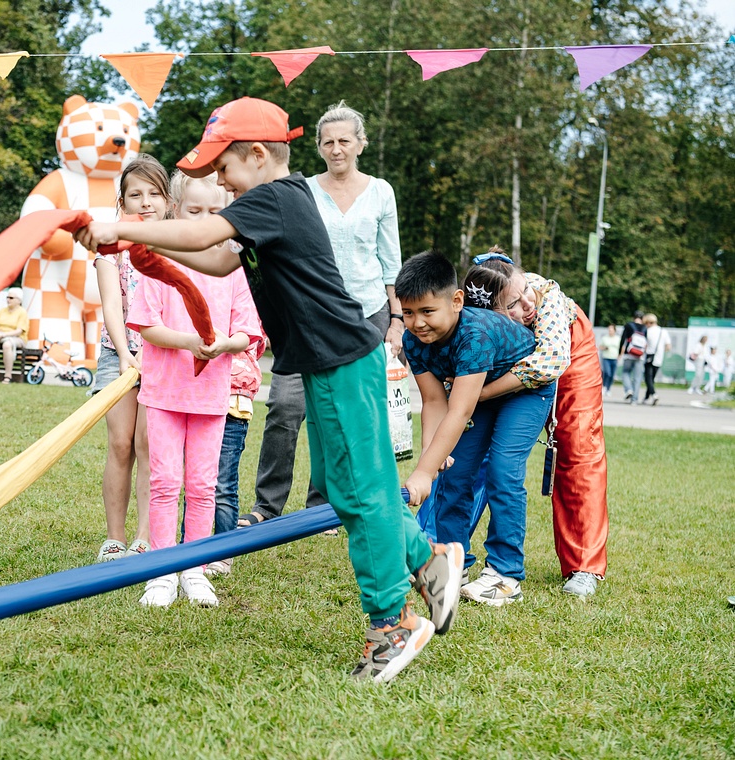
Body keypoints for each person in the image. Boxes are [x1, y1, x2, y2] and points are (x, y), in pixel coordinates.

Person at [76, 97, 464, 683]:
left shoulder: (277, 197)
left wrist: (119, 225)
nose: (221, 184)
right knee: (350, 487)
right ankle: (427, 561)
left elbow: (208, 231)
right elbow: (213, 257)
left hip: (340, 362)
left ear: (257, 155)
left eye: (222, 170)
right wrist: (141, 246)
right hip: (328, 363)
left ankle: (392, 623)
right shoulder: (275, 203)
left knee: (362, 494)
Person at [239, 101, 403, 531]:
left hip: (367, 314)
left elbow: (391, 261)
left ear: (361, 144)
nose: (336, 149)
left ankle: (322, 507)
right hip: (305, 316)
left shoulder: (381, 191)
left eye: (344, 140)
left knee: (348, 418)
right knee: (285, 408)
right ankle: (267, 505)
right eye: (327, 142)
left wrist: (398, 320)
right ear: (317, 147)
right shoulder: (301, 190)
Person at [447, 251, 609, 598]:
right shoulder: (478, 319)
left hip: (567, 350)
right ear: (490, 314)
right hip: (512, 360)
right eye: (513, 306)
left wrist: (481, 394)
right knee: (471, 457)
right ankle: (449, 555)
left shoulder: (546, 299)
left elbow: (549, 362)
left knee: (577, 444)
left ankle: (583, 567)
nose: (527, 305)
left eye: (525, 291)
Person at [398, 252, 551, 607]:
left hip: (525, 389)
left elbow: (460, 409)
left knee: (502, 470)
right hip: (478, 393)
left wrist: (422, 472)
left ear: (456, 301)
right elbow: (435, 403)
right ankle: (454, 562)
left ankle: (505, 574)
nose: (417, 323)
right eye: (408, 313)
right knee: (456, 473)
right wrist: (430, 462)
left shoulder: (474, 333)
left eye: (427, 312)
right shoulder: (413, 341)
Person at [169, 170, 266, 578]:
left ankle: (220, 552)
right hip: (187, 394)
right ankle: (188, 548)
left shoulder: (237, 268)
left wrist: (224, 345)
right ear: (176, 213)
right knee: (189, 478)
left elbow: (252, 333)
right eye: (195, 211)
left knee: (220, 482)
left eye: (215, 211)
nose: (206, 219)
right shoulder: (173, 268)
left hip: (230, 396)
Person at [92, 156, 170, 561]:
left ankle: (145, 534)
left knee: (148, 444)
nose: (145, 202)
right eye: (135, 195)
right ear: (122, 202)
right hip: (117, 353)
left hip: (162, 356)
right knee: (120, 442)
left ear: (168, 200)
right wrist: (124, 355)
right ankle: (114, 536)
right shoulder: (112, 249)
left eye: (154, 193)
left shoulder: (177, 245)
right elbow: (110, 306)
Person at [617, 311, 647, 404]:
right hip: (639, 356)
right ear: (642, 319)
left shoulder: (629, 325)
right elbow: (646, 343)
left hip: (629, 354)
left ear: (633, 317)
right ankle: (634, 400)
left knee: (625, 373)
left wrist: (619, 353)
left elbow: (623, 340)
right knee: (637, 378)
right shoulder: (645, 328)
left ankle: (628, 389)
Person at [641, 313, 671, 405]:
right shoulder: (663, 331)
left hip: (649, 357)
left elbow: (644, 345)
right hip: (659, 358)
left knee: (648, 379)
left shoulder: (648, 331)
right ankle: (646, 397)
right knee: (651, 379)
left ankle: (654, 395)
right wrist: (661, 351)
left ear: (648, 323)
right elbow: (668, 346)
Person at [598, 324, 619, 398]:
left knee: (612, 375)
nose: (610, 331)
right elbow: (600, 346)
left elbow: (621, 348)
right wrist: (604, 348)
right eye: (609, 330)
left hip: (614, 358)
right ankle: (604, 386)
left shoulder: (618, 338)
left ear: (614, 331)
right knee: (607, 373)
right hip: (606, 357)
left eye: (611, 330)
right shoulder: (605, 338)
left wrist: (619, 356)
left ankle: (608, 389)